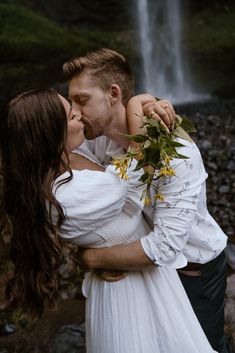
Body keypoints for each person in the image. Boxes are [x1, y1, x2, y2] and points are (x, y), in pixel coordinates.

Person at [0, 88, 218, 353]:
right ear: (50, 135)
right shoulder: (69, 193)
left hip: (143, 282)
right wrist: (137, 102)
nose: (79, 114)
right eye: (71, 115)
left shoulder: (67, 162)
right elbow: (138, 168)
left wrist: (90, 258)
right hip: (127, 296)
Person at [63, 48, 232, 353]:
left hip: (191, 269)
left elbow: (165, 247)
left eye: (82, 100)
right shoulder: (96, 142)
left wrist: (90, 258)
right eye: (71, 101)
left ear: (113, 94)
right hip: (147, 274)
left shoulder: (176, 150)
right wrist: (140, 102)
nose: (74, 112)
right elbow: (61, 163)